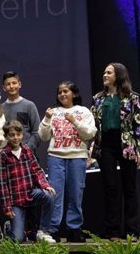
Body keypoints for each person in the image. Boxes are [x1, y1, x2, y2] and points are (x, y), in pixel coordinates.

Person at [91, 62, 140, 240]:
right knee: (110, 187)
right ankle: (112, 230)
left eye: (109, 72)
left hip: (126, 144)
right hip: (105, 145)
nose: (104, 75)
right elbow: (93, 125)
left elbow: (138, 125)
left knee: (129, 188)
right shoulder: (98, 98)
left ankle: (132, 230)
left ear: (118, 75)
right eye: (104, 72)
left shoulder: (132, 97)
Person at [38, 81, 97, 243]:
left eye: (66, 91)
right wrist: (46, 119)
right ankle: (53, 229)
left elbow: (90, 133)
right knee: (55, 195)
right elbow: (43, 136)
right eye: (60, 92)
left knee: (76, 194)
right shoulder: (54, 112)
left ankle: (74, 228)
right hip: (56, 157)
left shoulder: (83, 111)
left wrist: (75, 121)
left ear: (73, 93)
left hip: (77, 157)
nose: (63, 94)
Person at [0, 120, 56, 243]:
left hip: (30, 194)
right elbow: (2, 184)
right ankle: (9, 227)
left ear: (22, 135)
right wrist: (7, 207)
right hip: (16, 201)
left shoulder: (27, 151)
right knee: (18, 239)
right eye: (12, 135)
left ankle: (43, 231)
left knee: (49, 195)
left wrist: (45, 185)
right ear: (6, 136)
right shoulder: (3, 156)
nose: (15, 138)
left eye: (18, 135)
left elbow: (37, 170)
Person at [0, 71, 41, 154]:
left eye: (14, 83)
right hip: (7, 155)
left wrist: (27, 149)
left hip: (27, 155)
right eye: (8, 84)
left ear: (19, 84)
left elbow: (37, 132)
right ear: (4, 87)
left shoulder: (29, 105)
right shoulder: (0, 109)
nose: (11, 86)